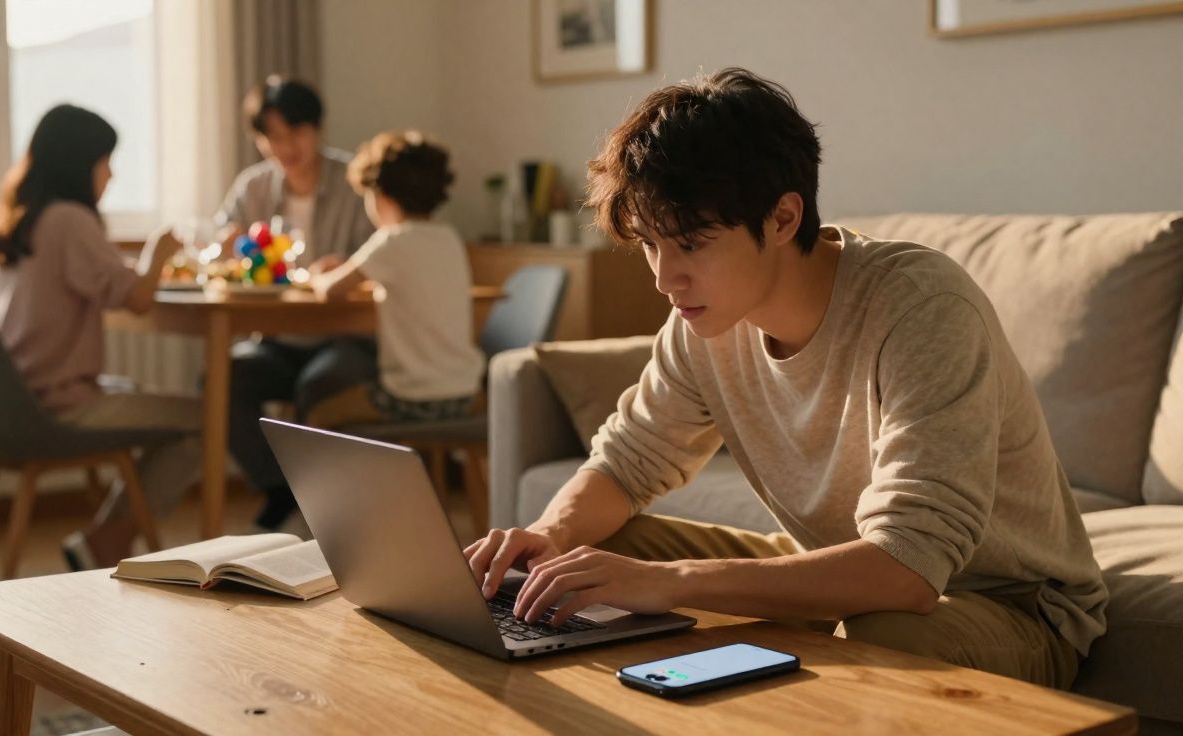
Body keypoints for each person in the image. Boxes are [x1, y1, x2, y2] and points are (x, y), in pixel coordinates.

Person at [464, 68, 1108, 689]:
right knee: (588, 556)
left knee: (883, 635)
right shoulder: (703, 324)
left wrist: (675, 582)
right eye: (651, 246)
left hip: (1010, 606)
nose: (665, 278)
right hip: (841, 572)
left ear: (781, 218)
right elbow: (628, 462)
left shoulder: (922, 307)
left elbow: (908, 570)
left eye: (690, 243)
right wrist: (550, 534)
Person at [0, 104, 202, 569]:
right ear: (79, 163)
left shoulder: (20, 220)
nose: (111, 174)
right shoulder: (69, 221)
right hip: (62, 402)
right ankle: (110, 538)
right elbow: (137, 298)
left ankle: (104, 536)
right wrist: (159, 250)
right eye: (106, 161)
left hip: (14, 401)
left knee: (140, 395)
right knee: (205, 417)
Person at [217, 76, 376, 532]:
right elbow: (221, 238)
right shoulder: (253, 188)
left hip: (347, 336)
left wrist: (348, 266)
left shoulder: (354, 183)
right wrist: (227, 245)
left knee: (320, 383)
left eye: (295, 133)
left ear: (317, 128)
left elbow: (385, 255)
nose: (284, 147)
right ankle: (283, 494)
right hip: (278, 337)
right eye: (272, 137)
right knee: (225, 377)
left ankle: (315, 509)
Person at [304, 130, 484, 429]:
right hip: (467, 392)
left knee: (318, 416)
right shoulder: (448, 237)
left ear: (380, 195)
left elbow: (330, 291)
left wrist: (314, 275)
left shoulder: (390, 240)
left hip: (410, 398)